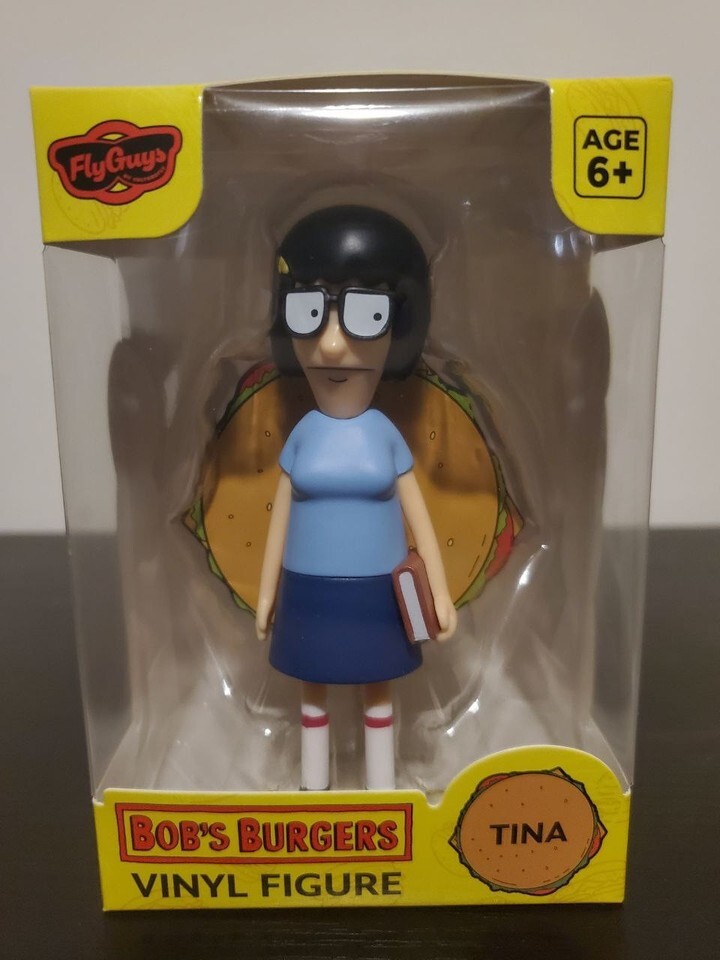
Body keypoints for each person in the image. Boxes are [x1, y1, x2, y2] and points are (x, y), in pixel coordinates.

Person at [256, 205, 457, 790]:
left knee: (378, 692)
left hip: (378, 592)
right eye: (308, 312)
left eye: (366, 315)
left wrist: (440, 594)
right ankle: (313, 788)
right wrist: (266, 594)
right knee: (311, 692)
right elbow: (278, 518)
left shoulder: (384, 436)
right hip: (307, 589)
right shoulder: (303, 436)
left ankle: (381, 790)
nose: (332, 345)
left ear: (400, 326)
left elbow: (419, 519)